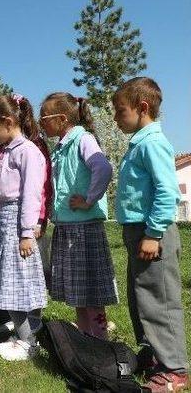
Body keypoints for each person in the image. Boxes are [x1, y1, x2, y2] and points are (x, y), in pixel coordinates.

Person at [113, 77, 188, 392]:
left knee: (160, 300)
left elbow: (167, 191)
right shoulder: (140, 142)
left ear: (142, 108)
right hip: (138, 232)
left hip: (151, 232)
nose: (116, 119)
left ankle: (175, 370)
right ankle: (156, 354)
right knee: (142, 297)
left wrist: (154, 233)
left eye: (119, 112)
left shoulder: (152, 143)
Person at [39, 92, 118, 339]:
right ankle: (86, 339)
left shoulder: (83, 139)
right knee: (80, 291)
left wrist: (89, 200)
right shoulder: (63, 146)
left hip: (83, 228)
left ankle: (101, 340)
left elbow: (103, 168)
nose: (41, 123)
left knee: (91, 290)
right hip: (68, 227)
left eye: (44, 118)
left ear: (62, 119)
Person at [0, 95, 47, 361]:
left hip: (20, 223)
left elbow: (32, 194)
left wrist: (27, 232)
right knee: (10, 282)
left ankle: (29, 341)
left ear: (8, 122)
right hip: (5, 221)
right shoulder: (6, 150)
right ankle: (23, 336)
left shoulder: (28, 151)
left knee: (20, 283)